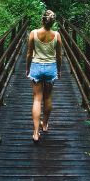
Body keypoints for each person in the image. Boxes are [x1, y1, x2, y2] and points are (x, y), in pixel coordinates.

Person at [26, 10, 62, 142]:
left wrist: (27, 68)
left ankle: (36, 133)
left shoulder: (33, 34)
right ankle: (45, 125)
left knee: (37, 99)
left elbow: (29, 53)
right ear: (52, 23)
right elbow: (59, 56)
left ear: (42, 20)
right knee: (47, 97)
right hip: (51, 68)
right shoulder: (57, 35)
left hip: (36, 67)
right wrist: (58, 71)